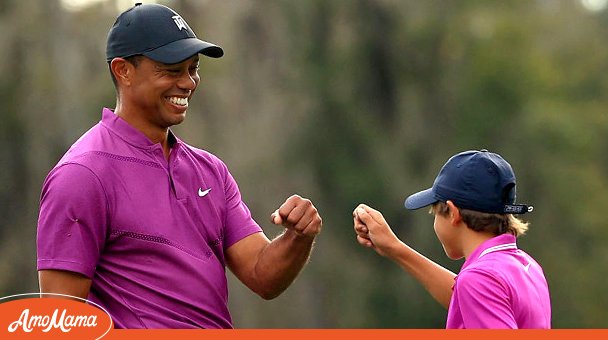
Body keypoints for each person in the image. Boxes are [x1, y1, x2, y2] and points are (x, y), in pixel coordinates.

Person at [36, 3, 322, 329]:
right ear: (123, 70)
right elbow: (60, 322)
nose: (188, 82)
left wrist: (297, 237)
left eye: (193, 68)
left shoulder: (210, 171)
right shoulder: (82, 175)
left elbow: (262, 274)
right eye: (172, 70)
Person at [353, 149, 551, 328]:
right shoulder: (525, 265)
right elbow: (471, 301)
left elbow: (476, 290)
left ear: (453, 213)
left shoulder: (478, 279)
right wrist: (394, 248)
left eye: (435, 213)